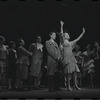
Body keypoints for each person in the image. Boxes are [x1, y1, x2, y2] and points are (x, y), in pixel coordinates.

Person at [60, 20, 85, 91]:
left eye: (67, 34)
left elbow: (78, 38)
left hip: (72, 58)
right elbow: (61, 34)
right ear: (64, 36)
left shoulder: (71, 43)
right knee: (68, 73)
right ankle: (68, 86)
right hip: (67, 58)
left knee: (74, 72)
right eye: (65, 35)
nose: (67, 35)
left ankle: (76, 85)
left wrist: (82, 33)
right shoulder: (63, 42)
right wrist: (61, 26)